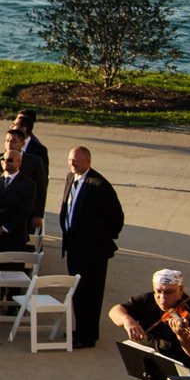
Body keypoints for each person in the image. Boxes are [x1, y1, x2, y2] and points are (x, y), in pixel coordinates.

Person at [62, 145, 126, 348]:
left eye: (77, 160)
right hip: (74, 248)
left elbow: (116, 218)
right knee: (78, 292)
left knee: (91, 294)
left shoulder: (99, 185)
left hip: (92, 253)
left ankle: (87, 336)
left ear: (88, 162)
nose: (73, 163)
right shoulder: (71, 178)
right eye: (71, 159)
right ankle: (80, 329)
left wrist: (100, 239)